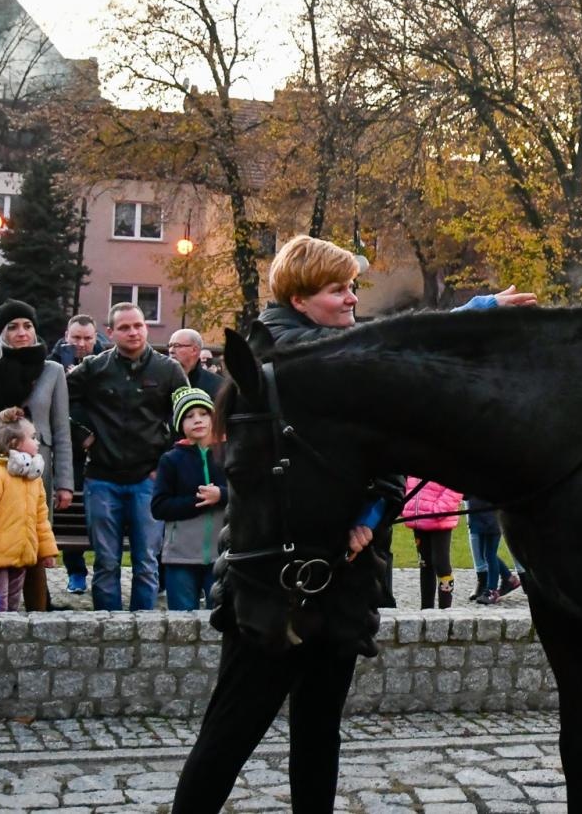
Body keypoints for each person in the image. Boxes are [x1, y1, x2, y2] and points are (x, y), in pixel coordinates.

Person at [173, 235, 535, 812]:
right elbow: (385, 353)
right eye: (337, 290)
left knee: (319, 732)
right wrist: (473, 313)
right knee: (230, 734)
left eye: (352, 289)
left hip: (339, 574)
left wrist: (370, 516)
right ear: (298, 298)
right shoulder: (282, 354)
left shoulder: (339, 351)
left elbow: (384, 461)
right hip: (272, 580)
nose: (350, 301)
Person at [68, 302, 187, 610]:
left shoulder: (168, 369)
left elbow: (188, 418)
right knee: (106, 562)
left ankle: (142, 629)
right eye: (124, 327)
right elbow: (57, 401)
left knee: (146, 562)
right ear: (110, 332)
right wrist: (81, 434)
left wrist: (166, 463)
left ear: (145, 328)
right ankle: (108, 629)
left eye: (138, 325)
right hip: (102, 478)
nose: (133, 332)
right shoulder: (95, 368)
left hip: (148, 479)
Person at [0, 300, 73, 611]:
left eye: (27, 326)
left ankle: (37, 618)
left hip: (37, 474)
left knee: (34, 544)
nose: (21, 332)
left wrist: (65, 482)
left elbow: (61, 430)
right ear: (1, 333)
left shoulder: (52, 371)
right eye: (12, 327)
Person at [0, 408, 59, 611]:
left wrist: (47, 551)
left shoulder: (33, 481)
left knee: (12, 607)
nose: (37, 442)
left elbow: (41, 521)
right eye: (33, 437)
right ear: (15, 444)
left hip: (21, 557)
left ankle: (8, 640)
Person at [151, 388, 227, 611]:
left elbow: (246, 492)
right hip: (180, 557)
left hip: (221, 557)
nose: (198, 420)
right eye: (189, 416)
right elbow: (159, 506)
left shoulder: (228, 453)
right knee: (181, 622)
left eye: (203, 414)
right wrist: (198, 502)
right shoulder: (171, 460)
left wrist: (221, 495)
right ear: (180, 424)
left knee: (221, 617)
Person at [49, 314, 102, 592]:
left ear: (96, 338)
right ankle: (76, 571)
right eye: (76, 338)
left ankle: (106, 571)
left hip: (104, 450)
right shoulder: (52, 363)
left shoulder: (105, 362)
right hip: (68, 451)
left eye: (87, 338)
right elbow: (51, 410)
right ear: (66, 336)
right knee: (70, 511)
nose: (81, 344)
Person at [402, 476, 462, 609]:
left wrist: (439, 509)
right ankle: (426, 610)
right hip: (419, 517)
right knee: (425, 565)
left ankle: (445, 611)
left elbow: (456, 485)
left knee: (441, 564)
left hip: (439, 519)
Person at [167, 328, 225, 396]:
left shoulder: (218, 385)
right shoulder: (159, 379)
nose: (171, 350)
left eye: (177, 345)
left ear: (194, 350)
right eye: (169, 346)